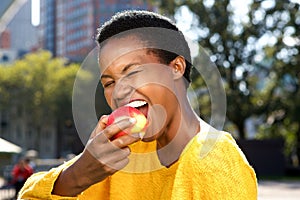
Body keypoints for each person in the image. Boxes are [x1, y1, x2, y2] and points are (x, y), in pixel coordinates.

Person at [19, 10, 257, 199]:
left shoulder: (216, 163)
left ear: (176, 68)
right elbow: (29, 196)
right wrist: (78, 174)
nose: (120, 92)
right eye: (109, 82)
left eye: (133, 72)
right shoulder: (122, 153)